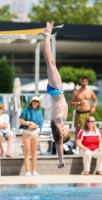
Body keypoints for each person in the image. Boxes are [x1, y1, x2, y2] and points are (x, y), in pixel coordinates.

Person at [41, 22, 71, 168]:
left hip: (57, 91)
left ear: (63, 132)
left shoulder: (59, 125)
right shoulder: (60, 123)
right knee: (49, 62)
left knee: (51, 62)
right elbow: (59, 140)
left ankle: (47, 35)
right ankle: (46, 37)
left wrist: (61, 160)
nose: (70, 129)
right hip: (54, 91)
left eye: (68, 132)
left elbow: (59, 142)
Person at [19, 96, 43, 176]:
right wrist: (28, 123)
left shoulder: (39, 112)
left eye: (37, 101)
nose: (35, 102)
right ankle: (28, 171)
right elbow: (21, 121)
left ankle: (33, 171)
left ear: (38, 103)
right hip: (26, 132)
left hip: (35, 132)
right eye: (34, 101)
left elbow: (40, 124)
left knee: (34, 151)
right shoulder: (25, 110)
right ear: (31, 102)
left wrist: (34, 126)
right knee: (27, 151)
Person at [70, 76, 98, 144]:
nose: (84, 83)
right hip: (79, 113)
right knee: (78, 130)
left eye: (85, 81)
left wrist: (93, 107)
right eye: (83, 81)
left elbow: (95, 100)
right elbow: (71, 103)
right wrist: (79, 103)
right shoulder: (76, 92)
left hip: (87, 112)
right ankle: (77, 146)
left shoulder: (90, 91)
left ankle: (87, 143)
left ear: (87, 82)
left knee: (89, 128)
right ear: (81, 81)